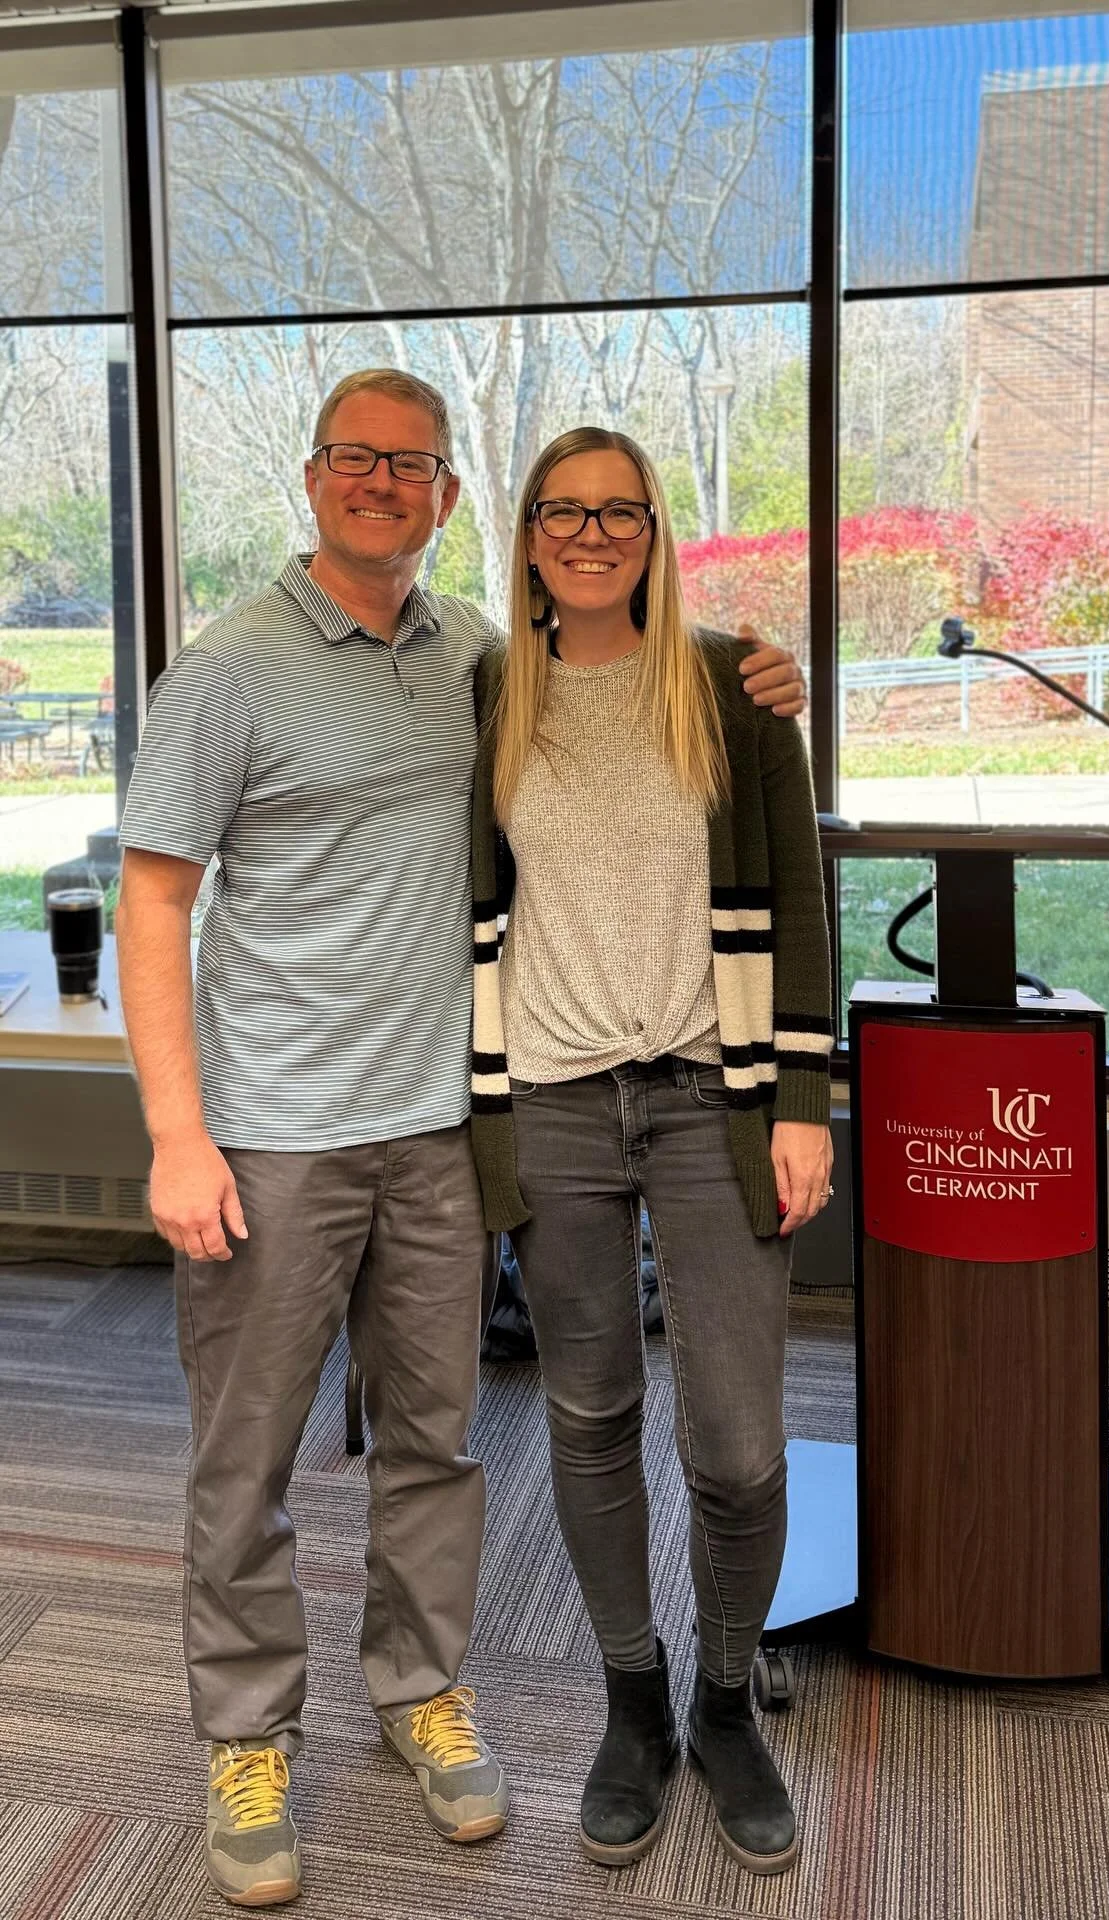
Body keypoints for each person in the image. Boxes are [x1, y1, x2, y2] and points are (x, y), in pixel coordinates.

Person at [114, 369, 807, 1910]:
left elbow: (646, 695)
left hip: (442, 1128)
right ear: (312, 479)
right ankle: (246, 1737)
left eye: (411, 466)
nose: (381, 484)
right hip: (275, 1137)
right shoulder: (227, 669)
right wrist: (177, 1132)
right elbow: (153, 900)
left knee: (433, 1447)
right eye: (356, 460)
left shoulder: (479, 663)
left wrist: (773, 675)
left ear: (442, 498)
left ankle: (421, 1691)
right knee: (249, 1462)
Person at [468, 427, 833, 1877]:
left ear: (657, 528)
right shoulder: (491, 692)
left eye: (619, 510)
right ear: (531, 534)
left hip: (713, 1094)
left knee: (737, 1450)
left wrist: (799, 1096)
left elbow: (800, 899)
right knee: (591, 1414)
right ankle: (633, 1699)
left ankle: (726, 1696)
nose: (593, 532)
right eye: (565, 510)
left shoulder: (738, 687)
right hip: (550, 1096)